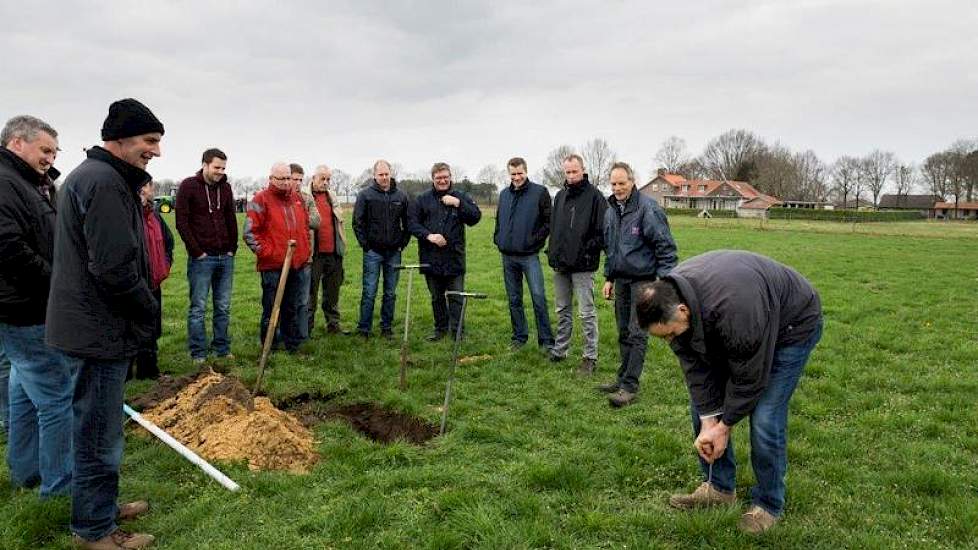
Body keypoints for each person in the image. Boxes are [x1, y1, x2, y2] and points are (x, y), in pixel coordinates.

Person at [635, 250, 823, 534]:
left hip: (792, 325)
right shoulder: (673, 304)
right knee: (702, 410)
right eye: (663, 337)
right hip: (740, 324)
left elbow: (749, 377)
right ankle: (720, 488)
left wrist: (724, 427)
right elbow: (697, 373)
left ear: (683, 311)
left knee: (765, 416)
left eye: (669, 335)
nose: (669, 341)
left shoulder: (735, 307)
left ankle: (769, 504)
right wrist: (711, 421)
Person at [47, 98, 162, 548]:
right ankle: (95, 532)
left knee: (100, 426)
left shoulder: (101, 177)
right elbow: (113, 267)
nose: (156, 151)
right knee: (98, 434)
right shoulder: (104, 183)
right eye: (149, 141)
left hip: (93, 326)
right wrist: (146, 307)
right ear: (119, 139)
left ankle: (99, 506)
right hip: (97, 330)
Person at [0, 115, 75, 499]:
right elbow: (9, 249)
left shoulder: (32, 184)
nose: (50, 158)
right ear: (17, 143)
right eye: (45, 150)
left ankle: (26, 471)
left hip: (27, 307)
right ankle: (60, 488)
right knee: (57, 397)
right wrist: (58, 282)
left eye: (54, 151)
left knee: (24, 393)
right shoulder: (5, 183)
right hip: (27, 309)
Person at [598, 162, 677, 407]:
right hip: (620, 280)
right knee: (623, 331)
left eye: (622, 183)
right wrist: (609, 278)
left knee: (637, 333)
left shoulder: (648, 209)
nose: (618, 188)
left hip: (643, 282)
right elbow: (610, 248)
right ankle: (621, 378)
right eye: (613, 184)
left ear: (632, 181)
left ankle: (630, 386)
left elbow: (666, 248)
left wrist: (661, 285)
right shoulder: (611, 209)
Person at [175, 148, 237, 365]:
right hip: (202, 258)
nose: (220, 171)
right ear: (205, 165)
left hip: (225, 257)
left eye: (223, 168)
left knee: (223, 306)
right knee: (198, 307)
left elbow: (231, 218)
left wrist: (232, 249)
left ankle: (222, 348)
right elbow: (181, 222)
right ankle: (198, 352)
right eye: (216, 167)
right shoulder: (188, 186)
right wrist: (197, 252)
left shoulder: (226, 188)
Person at [243, 162, 313, 353]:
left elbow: (305, 228)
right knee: (272, 308)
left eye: (288, 178)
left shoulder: (297, 199)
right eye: (281, 178)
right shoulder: (261, 199)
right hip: (273, 266)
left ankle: (292, 344)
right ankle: (270, 345)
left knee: (291, 307)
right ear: (271, 178)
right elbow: (250, 233)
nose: (285, 182)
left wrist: (305, 252)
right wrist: (270, 254)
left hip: (296, 264)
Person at [547, 154, 607, 374]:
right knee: (562, 309)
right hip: (561, 264)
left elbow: (603, 232)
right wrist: (552, 252)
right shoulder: (560, 196)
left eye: (574, 171)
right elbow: (556, 229)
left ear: (583, 170)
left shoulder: (595, 197)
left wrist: (586, 249)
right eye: (567, 172)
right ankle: (560, 349)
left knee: (586, 312)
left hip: (583, 264)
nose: (571, 176)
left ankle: (590, 356)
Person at [408, 162, 482, 340]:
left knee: (456, 296)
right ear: (432, 179)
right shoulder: (422, 199)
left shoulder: (460, 196)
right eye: (438, 178)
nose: (442, 181)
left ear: (450, 177)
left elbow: (475, 217)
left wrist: (458, 203)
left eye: (445, 177)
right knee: (436, 296)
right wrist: (429, 236)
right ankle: (440, 329)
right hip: (430, 256)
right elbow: (412, 224)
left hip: (454, 256)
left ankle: (457, 332)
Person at [493, 157, 554, 351]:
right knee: (514, 299)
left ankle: (546, 340)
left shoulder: (540, 192)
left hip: (529, 256)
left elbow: (548, 222)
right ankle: (519, 337)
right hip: (507, 256)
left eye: (520, 173)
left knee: (538, 297)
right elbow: (499, 220)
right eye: (513, 174)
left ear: (526, 171)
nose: (517, 177)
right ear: (509, 173)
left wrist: (534, 241)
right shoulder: (504, 195)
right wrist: (498, 238)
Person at [352, 160, 410, 339]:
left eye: (387, 174)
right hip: (373, 252)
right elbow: (357, 222)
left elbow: (408, 223)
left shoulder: (401, 196)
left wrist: (402, 243)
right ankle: (364, 328)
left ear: (391, 174)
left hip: (394, 252)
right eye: (380, 175)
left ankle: (387, 327)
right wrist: (366, 246)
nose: (384, 178)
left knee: (390, 292)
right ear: (374, 176)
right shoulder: (365, 196)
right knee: (369, 291)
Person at [132, 180, 174, 379]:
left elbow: (168, 242)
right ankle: (129, 372)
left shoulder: (155, 215)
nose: (152, 189)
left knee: (152, 327)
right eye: (148, 185)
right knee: (135, 327)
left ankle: (148, 370)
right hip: (135, 283)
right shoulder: (130, 214)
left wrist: (164, 266)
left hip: (154, 282)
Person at [307, 165, 347, 334]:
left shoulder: (332, 197)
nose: (325, 182)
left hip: (333, 253)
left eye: (328, 179)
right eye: (322, 179)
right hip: (314, 254)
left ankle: (333, 324)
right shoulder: (305, 196)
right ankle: (307, 327)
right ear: (313, 178)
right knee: (310, 293)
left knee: (332, 291)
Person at [289, 163, 318, 341]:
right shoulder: (280, 198)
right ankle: (283, 334)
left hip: (306, 255)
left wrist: (299, 217)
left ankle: (302, 335)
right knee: (284, 299)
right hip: (284, 257)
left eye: (301, 179)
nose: (298, 183)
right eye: (294, 179)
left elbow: (316, 220)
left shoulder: (307, 198)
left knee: (303, 300)